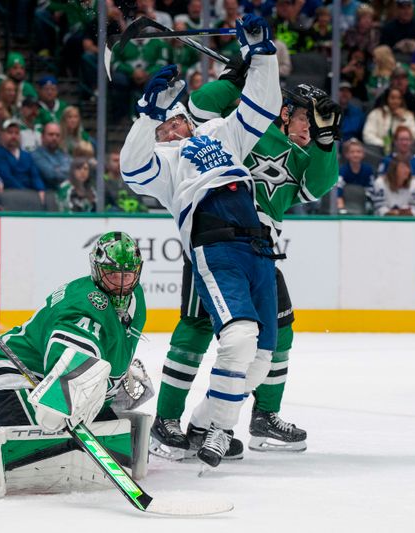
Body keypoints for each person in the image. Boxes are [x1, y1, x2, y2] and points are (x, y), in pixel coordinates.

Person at [121, 15, 337, 467]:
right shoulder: (168, 156)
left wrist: (261, 55)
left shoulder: (223, 134)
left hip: (259, 246)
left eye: (178, 123)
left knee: (267, 343)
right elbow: (156, 144)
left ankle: (224, 421)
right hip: (213, 244)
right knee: (210, 330)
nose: (178, 128)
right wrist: (225, 79)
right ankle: (170, 421)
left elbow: (257, 107)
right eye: (170, 126)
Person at [0, 232, 151, 498]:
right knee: (58, 429)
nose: (122, 284)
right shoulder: (85, 304)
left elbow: (111, 350)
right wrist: (63, 398)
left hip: (44, 379)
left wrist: (114, 383)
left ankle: (15, 444)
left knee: (103, 433)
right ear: (97, 270)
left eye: (128, 275)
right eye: (113, 275)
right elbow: (71, 356)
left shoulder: (135, 297)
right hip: (11, 384)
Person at [32, 122, 72, 190]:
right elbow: (51, 175)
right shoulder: (35, 155)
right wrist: (67, 171)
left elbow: (75, 170)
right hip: (48, 194)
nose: (54, 138)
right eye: (51, 134)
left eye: (57, 135)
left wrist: (58, 170)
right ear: (42, 137)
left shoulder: (63, 154)